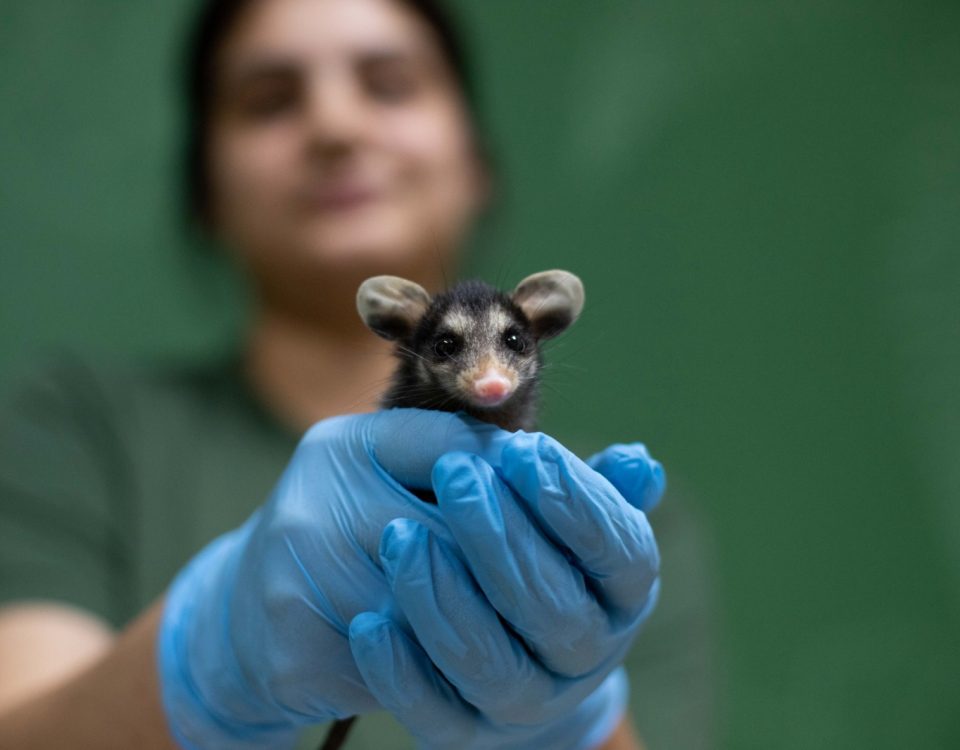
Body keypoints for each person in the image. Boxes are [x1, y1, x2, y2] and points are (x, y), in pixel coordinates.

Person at [0, 0, 712, 747]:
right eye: (269, 101)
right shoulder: (85, 430)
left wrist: (572, 716)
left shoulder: (614, 524)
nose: (335, 127)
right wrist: (209, 656)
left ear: (477, 162)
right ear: (204, 189)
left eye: (391, 85)